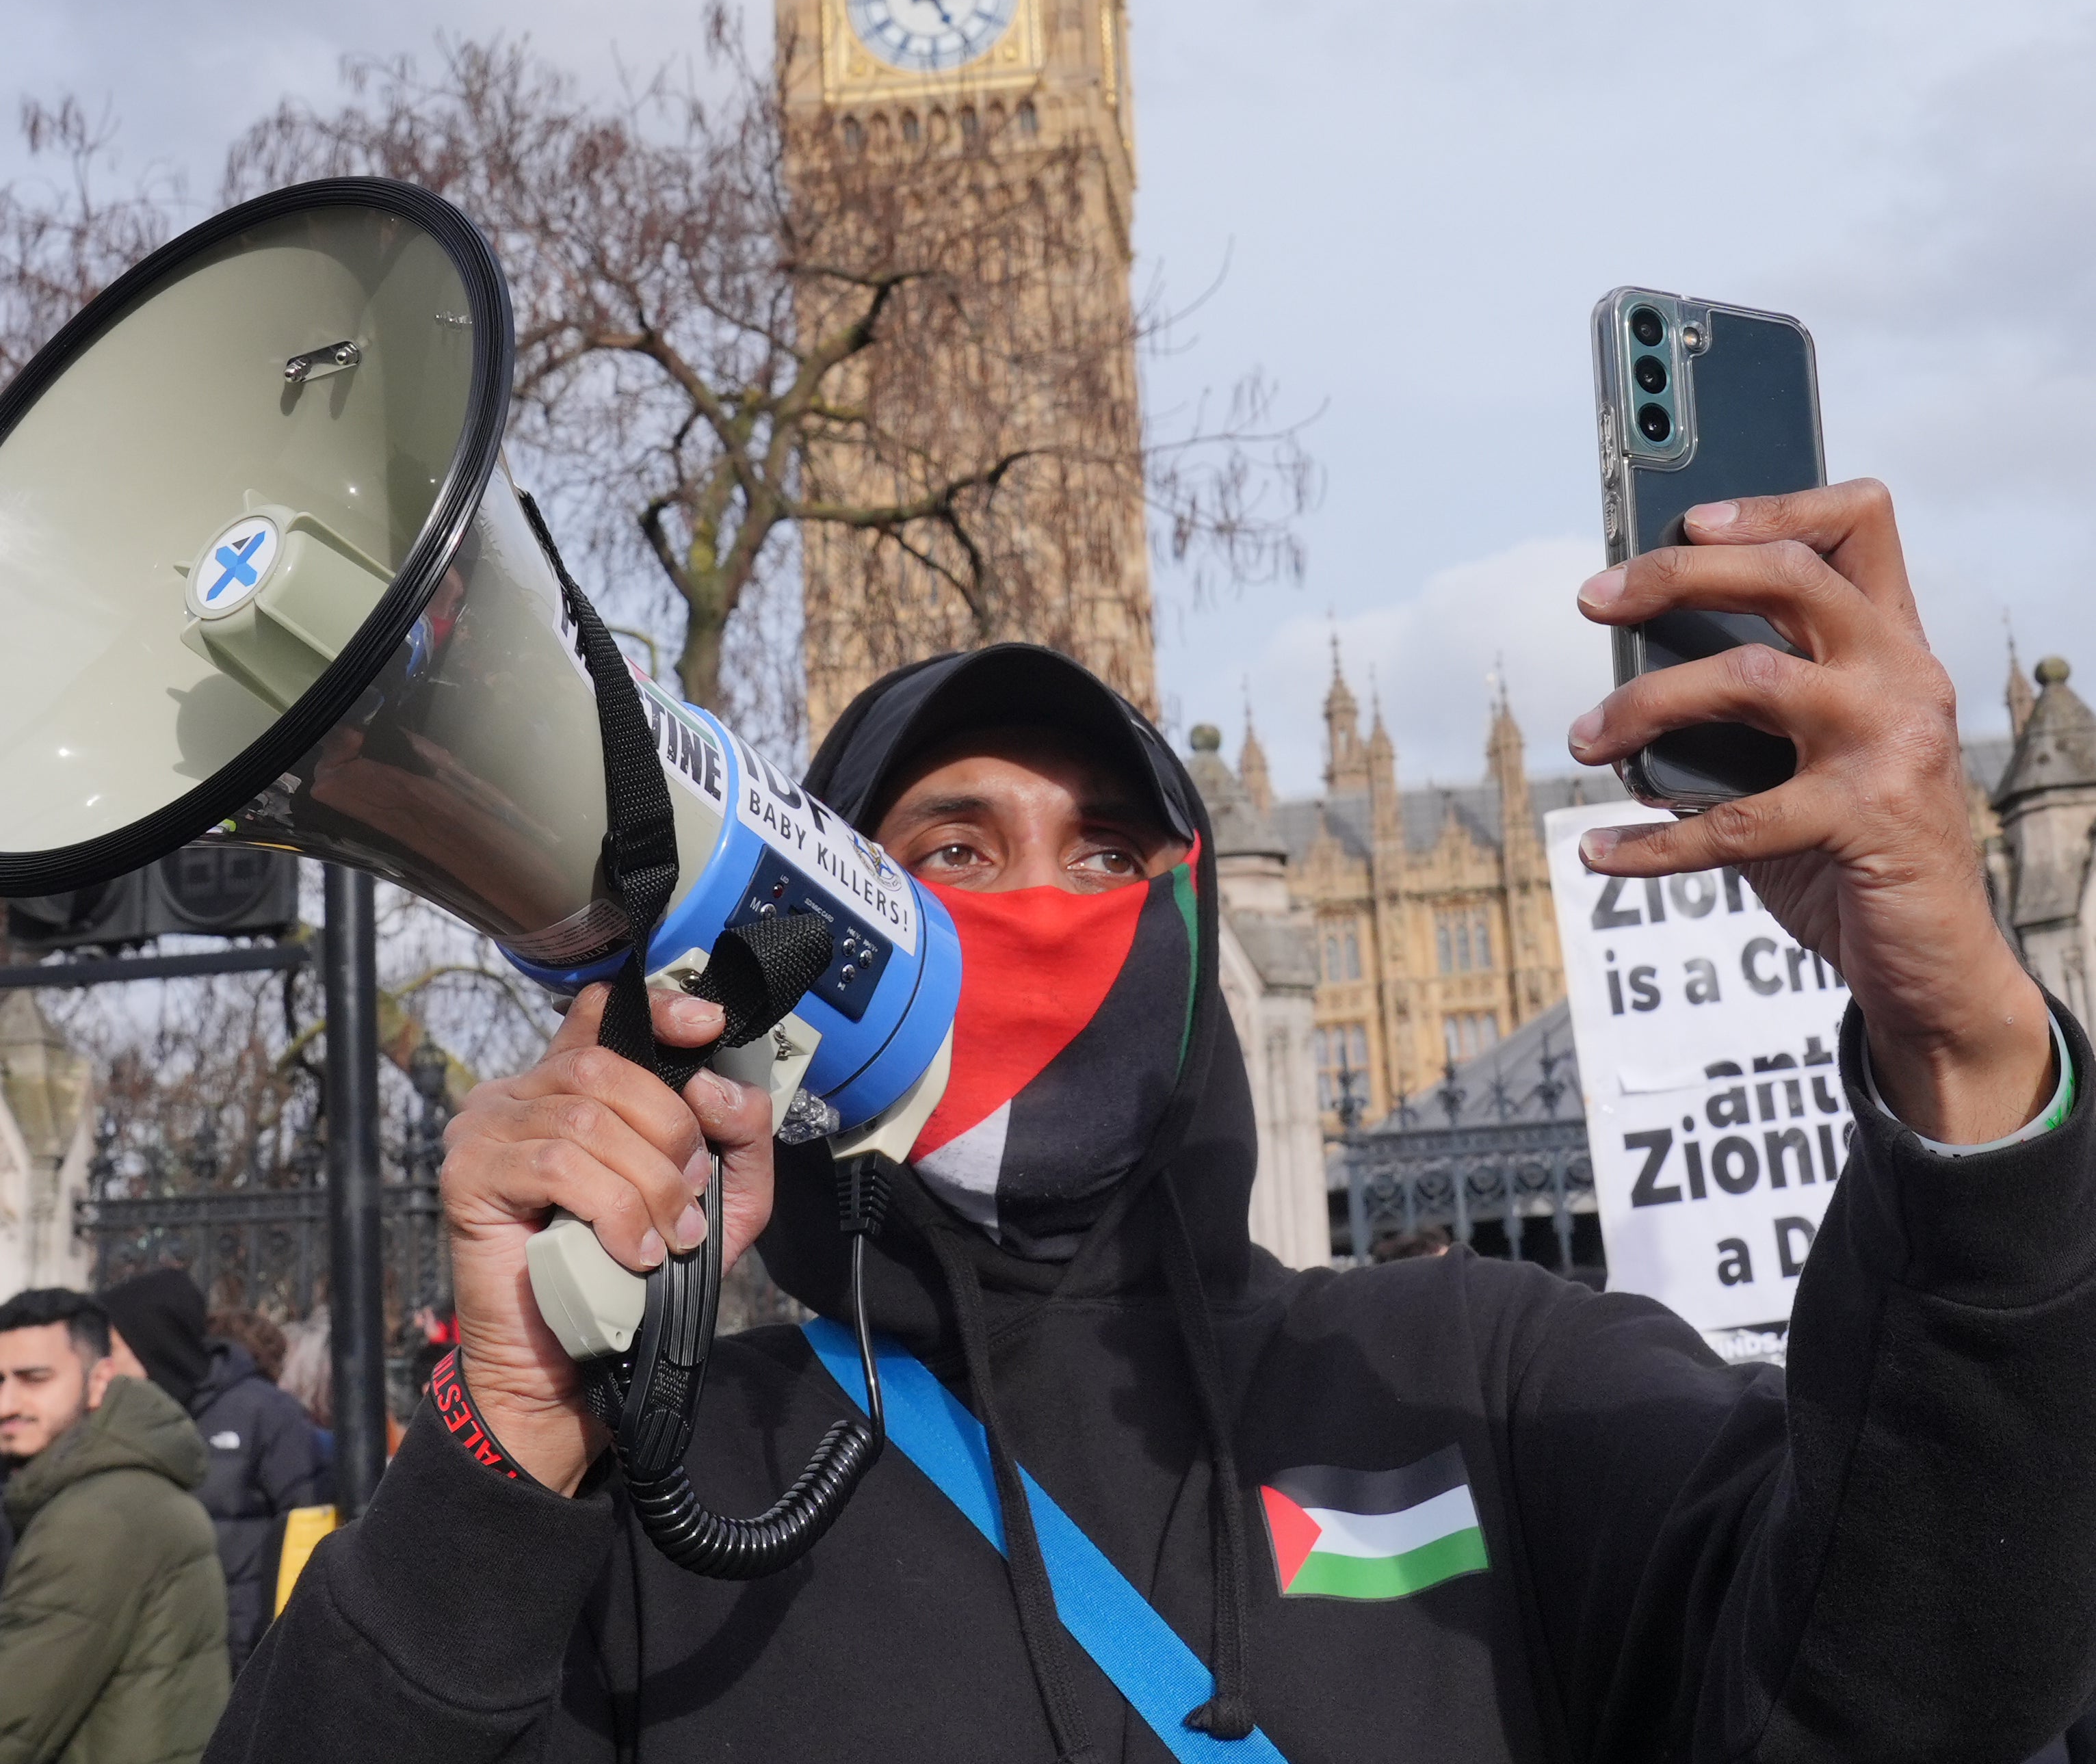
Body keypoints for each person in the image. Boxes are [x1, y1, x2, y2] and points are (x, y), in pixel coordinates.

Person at [212, 486, 2096, 1759]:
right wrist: (501, 1452)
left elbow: (1904, 1683)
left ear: (1197, 923)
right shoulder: (670, 1485)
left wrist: (1971, 1075)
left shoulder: (1474, 1372)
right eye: (951, 848)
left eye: (1113, 852)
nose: (1045, 903)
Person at [0, 1285, 228, 1761]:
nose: (7, 1404)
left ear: (101, 1379)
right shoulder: (119, 1488)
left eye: (34, 1379)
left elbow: (14, 1717)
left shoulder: (96, 1516)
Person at [103, 1268, 325, 1676]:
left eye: (113, 1347)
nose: (103, 1364)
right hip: (154, 1653)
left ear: (151, 1344)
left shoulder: (265, 1414)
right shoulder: (115, 1421)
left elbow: (310, 1529)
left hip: (244, 1656)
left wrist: (283, 1649)